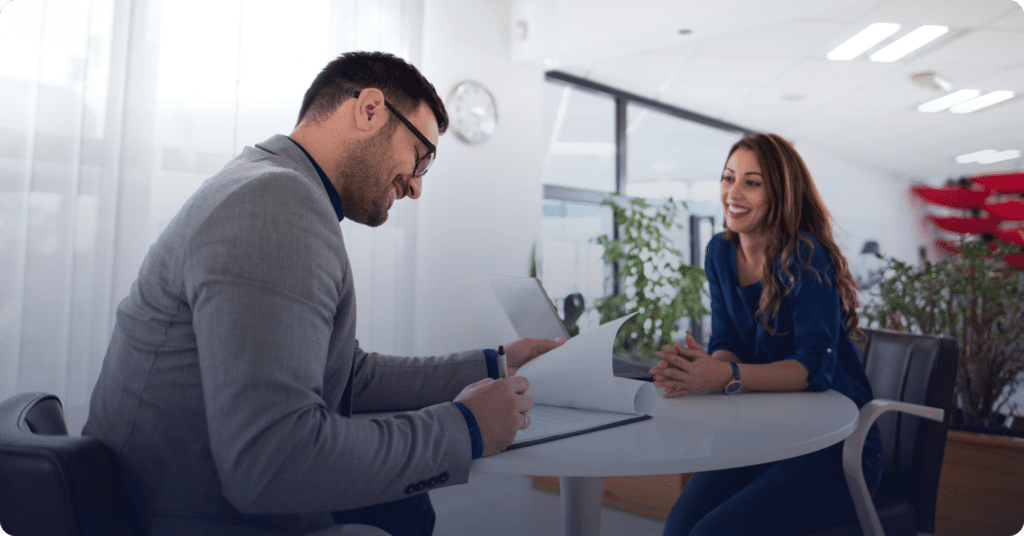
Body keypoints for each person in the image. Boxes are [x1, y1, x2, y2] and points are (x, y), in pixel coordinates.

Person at [82, 51, 562, 536]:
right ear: (369, 109)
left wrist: (496, 364)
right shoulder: (275, 203)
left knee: (407, 509)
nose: (417, 187)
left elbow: (347, 374)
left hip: (162, 493)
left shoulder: (265, 182)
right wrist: (466, 428)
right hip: (183, 515)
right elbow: (270, 461)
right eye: (421, 157)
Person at [649, 132, 883, 535]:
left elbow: (814, 370)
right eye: (728, 177)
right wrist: (704, 369)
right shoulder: (719, 252)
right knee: (679, 526)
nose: (733, 193)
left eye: (751, 183)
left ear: (780, 194)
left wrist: (726, 376)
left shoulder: (804, 255)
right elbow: (728, 343)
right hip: (769, 431)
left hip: (837, 443)